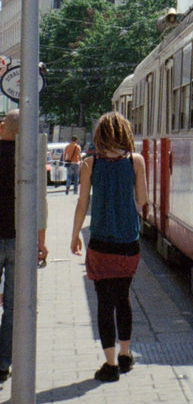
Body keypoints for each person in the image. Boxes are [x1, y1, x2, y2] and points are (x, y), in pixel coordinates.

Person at [71, 111, 148, 383]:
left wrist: (74, 236)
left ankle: (111, 364)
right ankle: (127, 355)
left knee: (104, 301)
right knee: (124, 296)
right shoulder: (136, 161)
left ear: (99, 135)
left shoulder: (89, 164)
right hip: (129, 242)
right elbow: (142, 199)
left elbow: (82, 203)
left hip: (101, 242)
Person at [0, 109, 48, 385]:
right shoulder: (30, 158)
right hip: (21, 240)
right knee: (15, 307)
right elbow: (40, 202)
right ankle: (3, 362)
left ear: (4, 127)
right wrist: (40, 243)